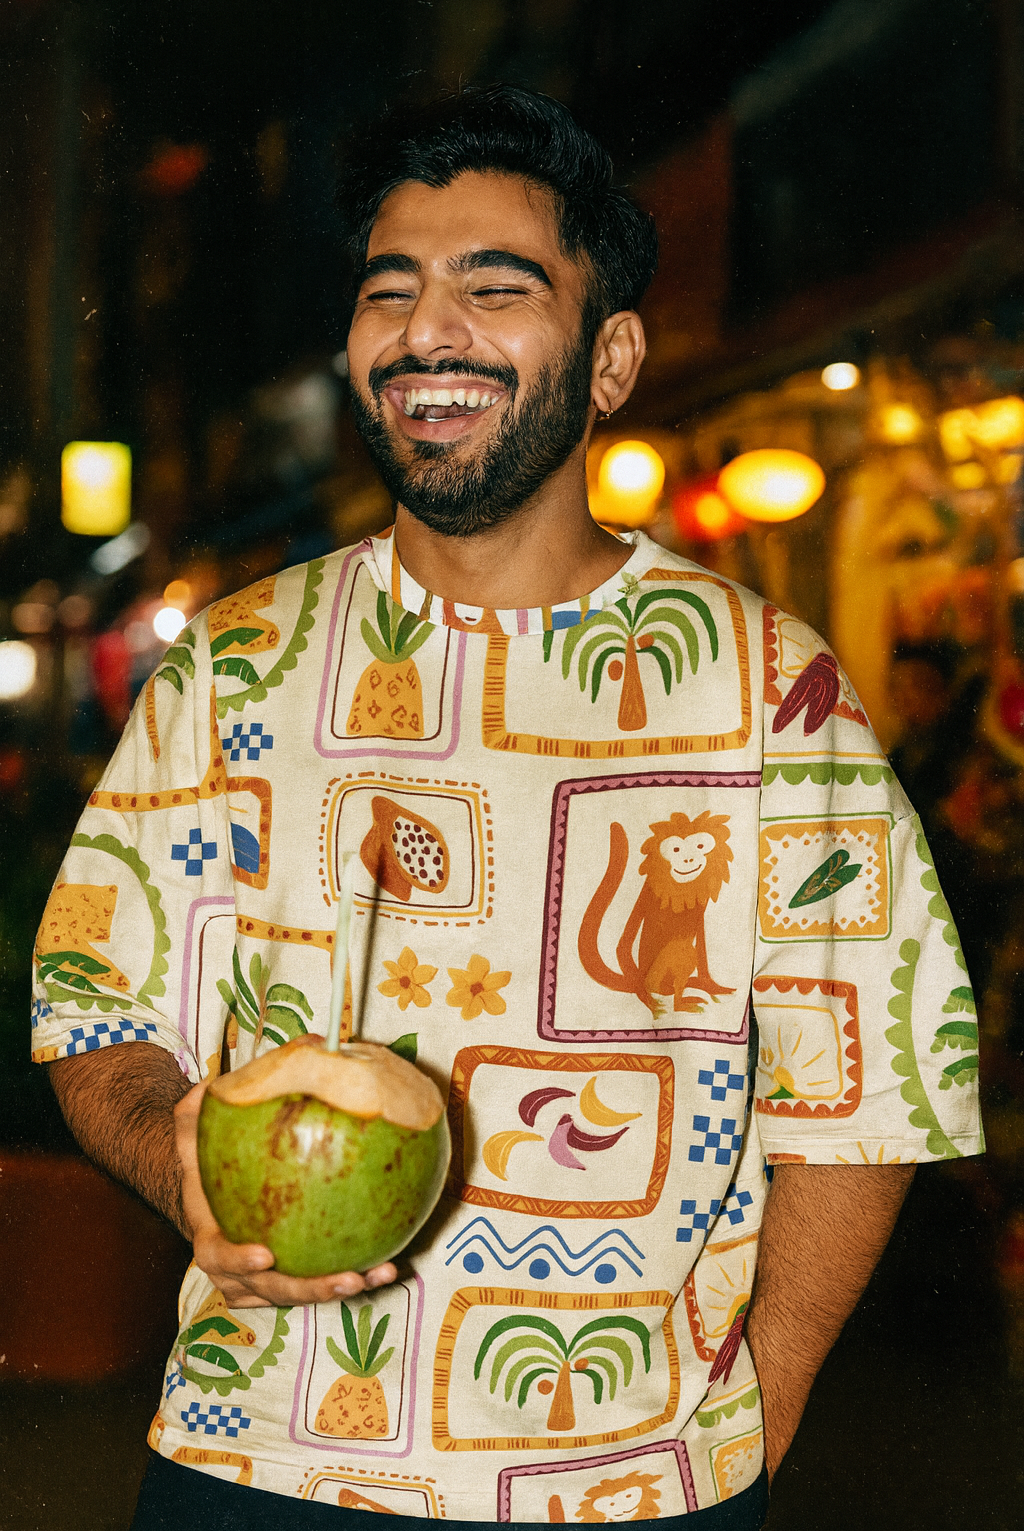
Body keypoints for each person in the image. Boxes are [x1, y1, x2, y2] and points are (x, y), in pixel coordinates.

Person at [34, 86, 983, 1530]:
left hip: (628, 1485)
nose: (428, 331)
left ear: (611, 363)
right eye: (391, 290)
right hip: (259, 1463)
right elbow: (93, 1000)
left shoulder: (765, 691)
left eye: (497, 287)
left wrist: (758, 1423)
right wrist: (182, 1162)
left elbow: (873, 1094)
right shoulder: (235, 666)